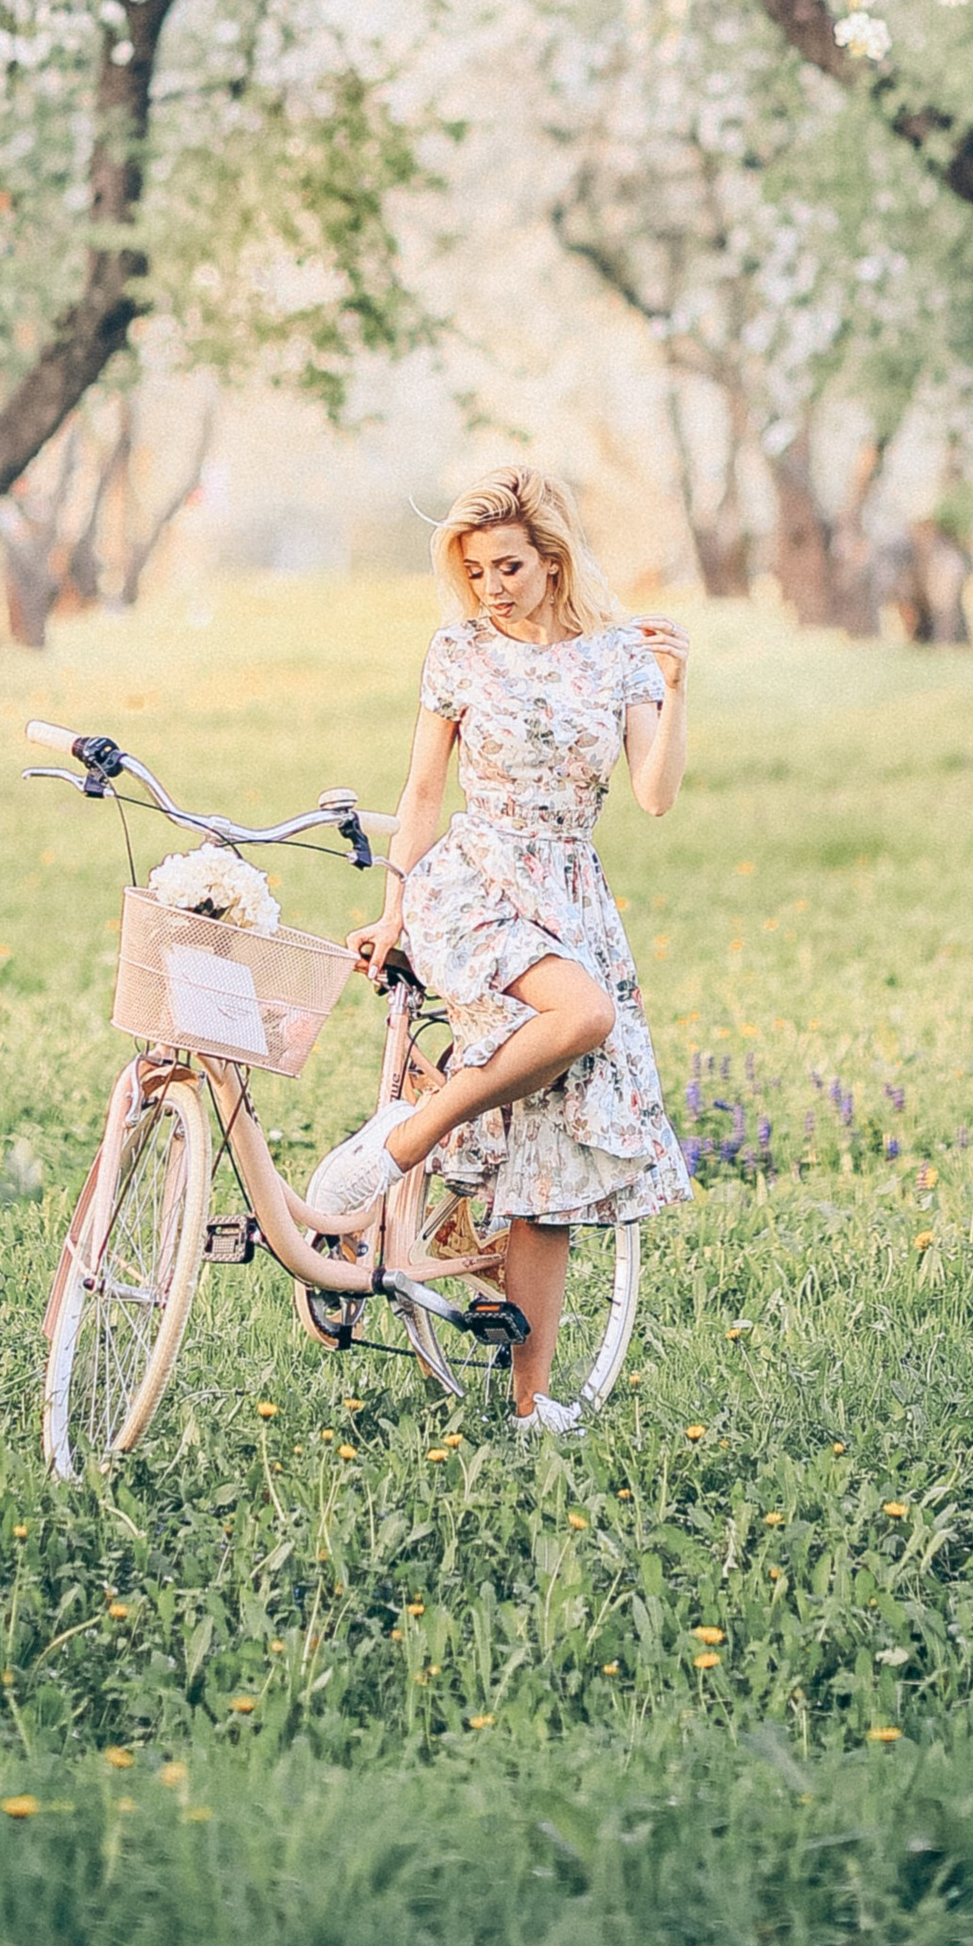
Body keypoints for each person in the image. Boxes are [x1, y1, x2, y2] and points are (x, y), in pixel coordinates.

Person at [304, 464, 692, 1433]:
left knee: (552, 1163)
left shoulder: (617, 657)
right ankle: (410, 1137)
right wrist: (395, 915)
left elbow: (652, 793)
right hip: (473, 885)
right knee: (584, 1013)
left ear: (552, 560)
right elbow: (424, 795)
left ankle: (528, 1406)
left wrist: (677, 689)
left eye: (508, 566)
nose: (492, 586)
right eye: (477, 571)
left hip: (568, 893)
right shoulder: (459, 652)